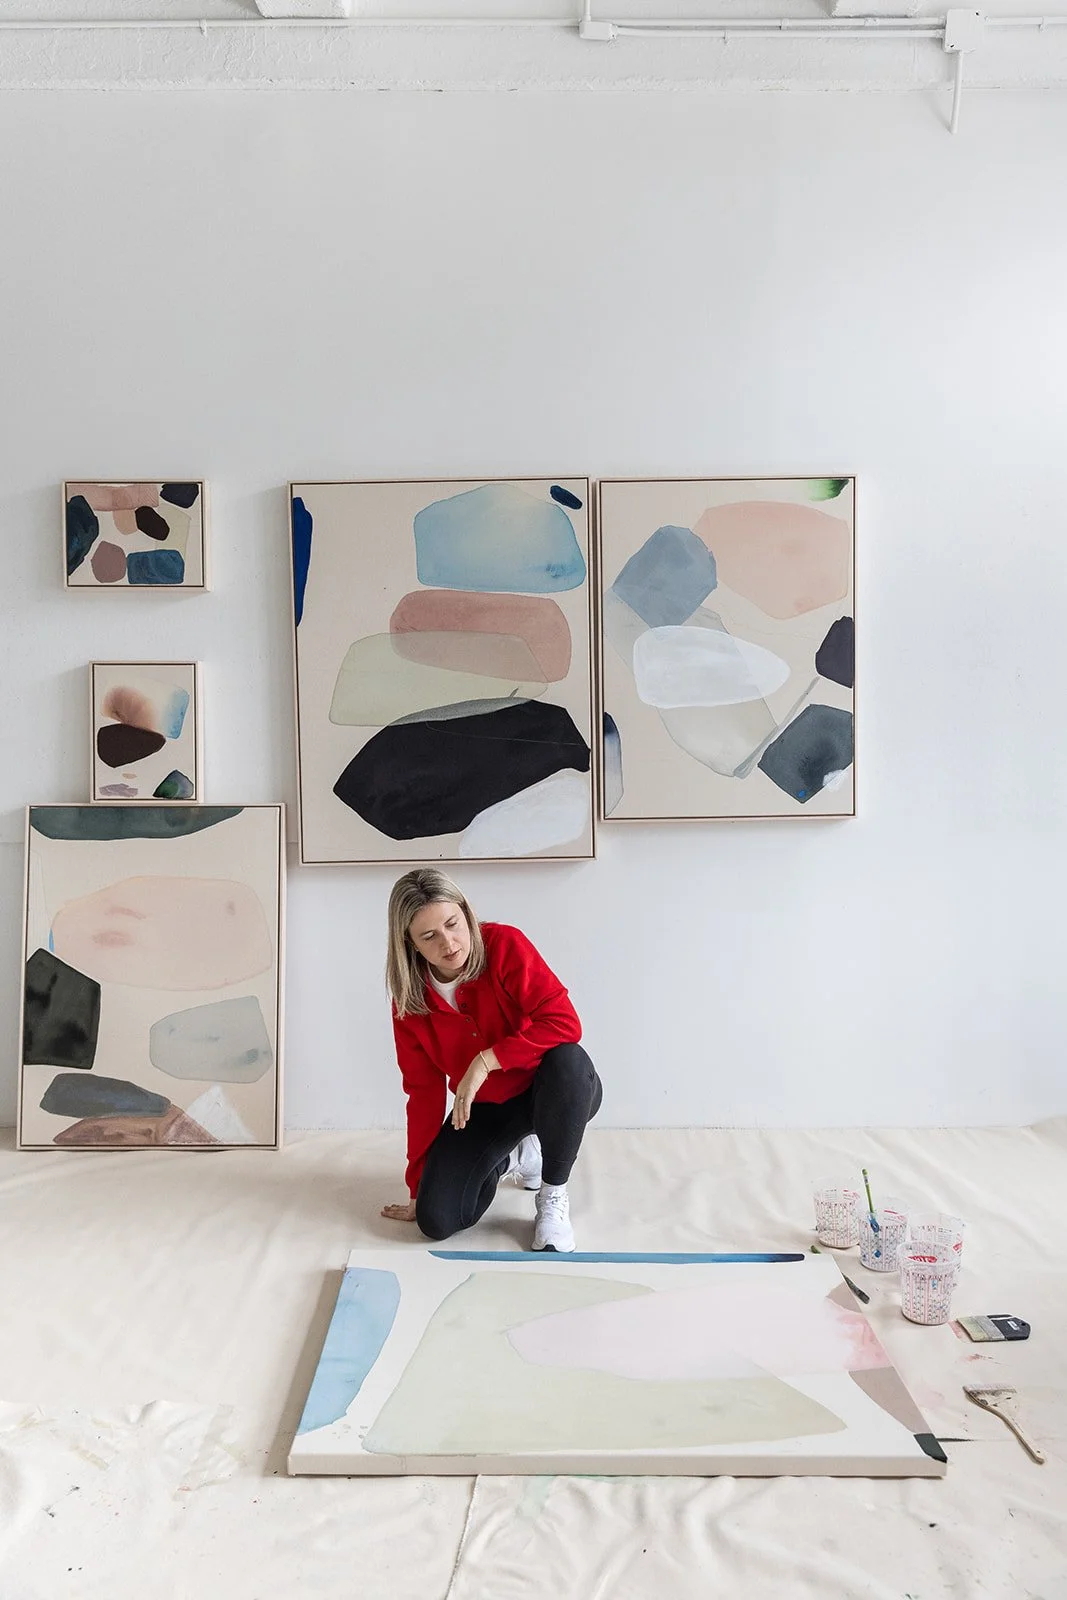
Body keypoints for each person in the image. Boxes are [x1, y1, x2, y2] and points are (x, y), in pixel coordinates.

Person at [381, 867, 602, 1252]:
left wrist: (485, 1061)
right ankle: (518, 1154)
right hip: (484, 1110)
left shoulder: (504, 945)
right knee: (436, 1220)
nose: (449, 943)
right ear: (410, 943)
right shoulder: (410, 1000)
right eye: (429, 936)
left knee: (570, 1061)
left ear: (466, 913)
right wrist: (417, 1186)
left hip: (549, 1092)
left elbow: (565, 1022)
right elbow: (422, 1093)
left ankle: (552, 1193)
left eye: (453, 924)